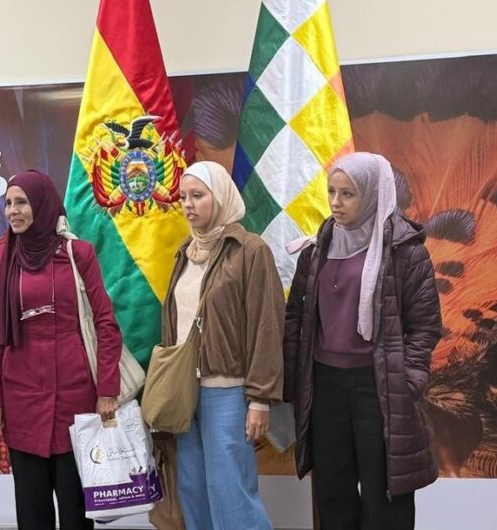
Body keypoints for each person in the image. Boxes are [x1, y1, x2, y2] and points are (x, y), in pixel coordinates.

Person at [283, 152, 442, 530]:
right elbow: (295, 318)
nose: (336, 203)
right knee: (333, 493)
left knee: (384, 495)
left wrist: (408, 380)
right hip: (326, 388)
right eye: (331, 192)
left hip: (379, 387)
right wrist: (295, 380)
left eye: (348, 194)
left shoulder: (406, 251)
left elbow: (425, 326)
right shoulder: (316, 248)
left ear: (372, 194)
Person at [0, 169, 122, 530]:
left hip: (76, 402)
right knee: (32, 513)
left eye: (22, 202)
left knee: (76, 514)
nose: (13, 211)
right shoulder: (1, 259)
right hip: (21, 400)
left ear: (43, 205)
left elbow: (106, 324)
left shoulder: (79, 254)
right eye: (9, 203)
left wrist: (107, 391)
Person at [163, 160, 285, 530]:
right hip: (185, 394)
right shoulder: (185, 252)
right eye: (183, 197)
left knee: (231, 492)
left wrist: (260, 398)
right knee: (193, 492)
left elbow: (267, 326)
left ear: (221, 198)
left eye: (197, 196)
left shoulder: (249, 251)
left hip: (228, 392)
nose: (187, 204)